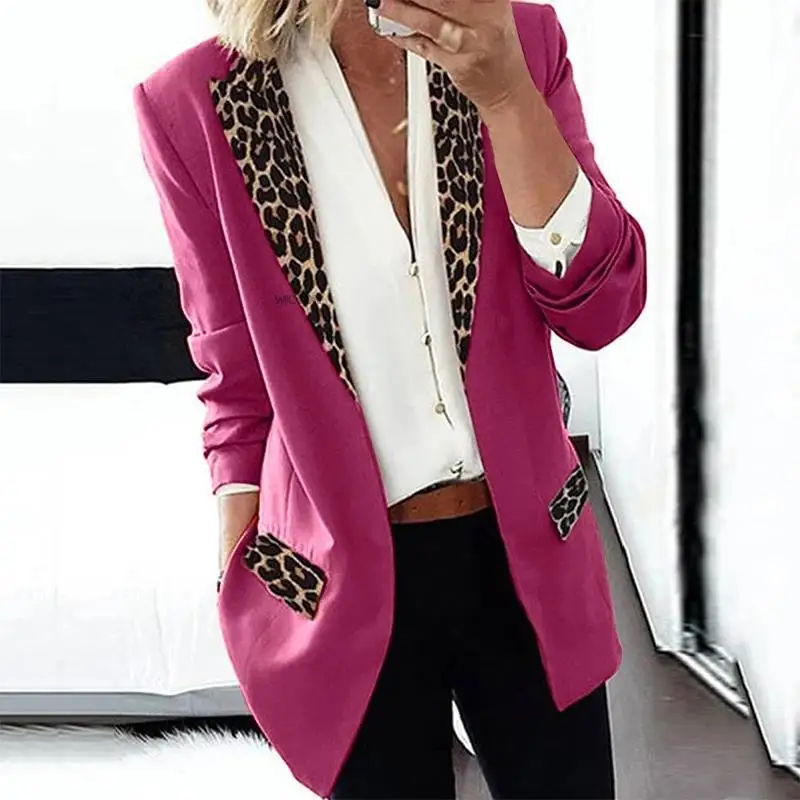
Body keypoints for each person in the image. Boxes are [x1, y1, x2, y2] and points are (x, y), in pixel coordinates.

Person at [133, 0, 646, 796]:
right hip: (341, 581)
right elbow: (233, 372)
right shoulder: (191, 101)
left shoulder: (514, 39)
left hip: (526, 552)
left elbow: (603, 308)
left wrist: (508, 98)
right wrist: (243, 571)